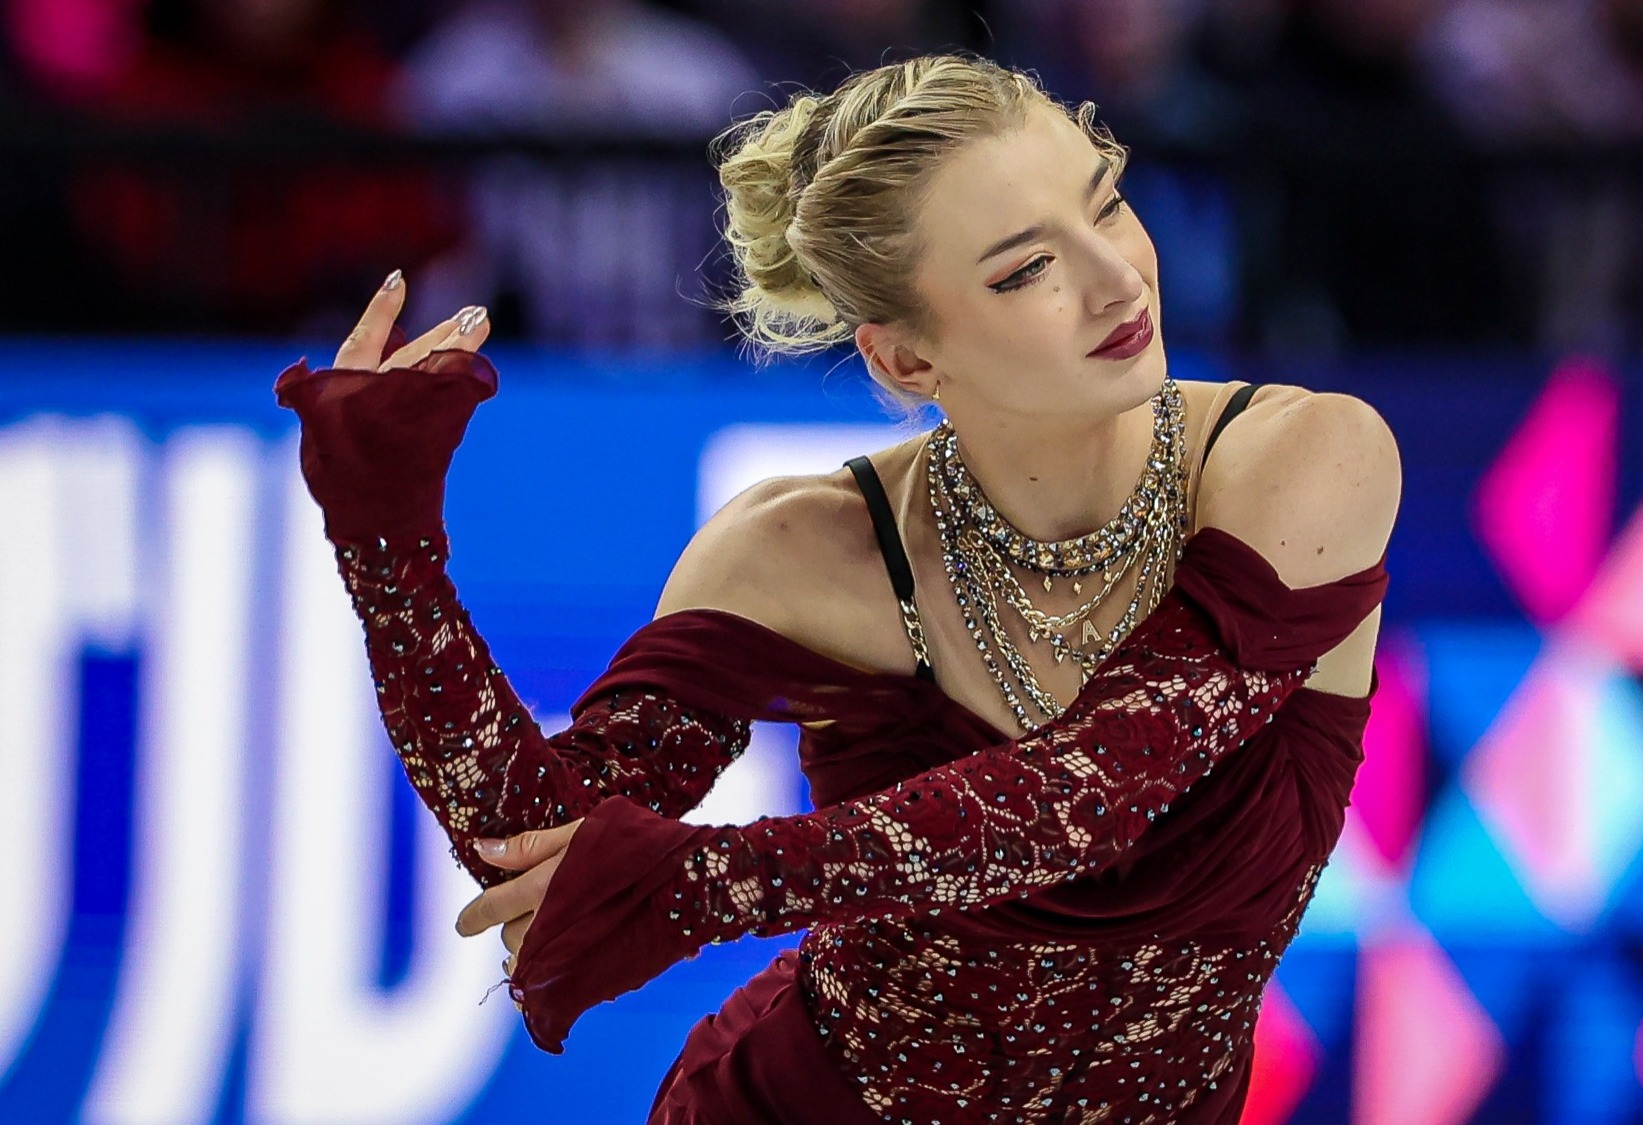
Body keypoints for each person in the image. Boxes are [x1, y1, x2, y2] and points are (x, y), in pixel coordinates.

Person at [275, 54, 1400, 1125]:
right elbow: (539, 849)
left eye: (1103, 203)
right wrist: (386, 541)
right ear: (905, 361)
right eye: (1026, 268)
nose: (1115, 276)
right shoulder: (799, 549)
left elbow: (1083, 799)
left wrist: (710, 885)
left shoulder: (1304, 462)